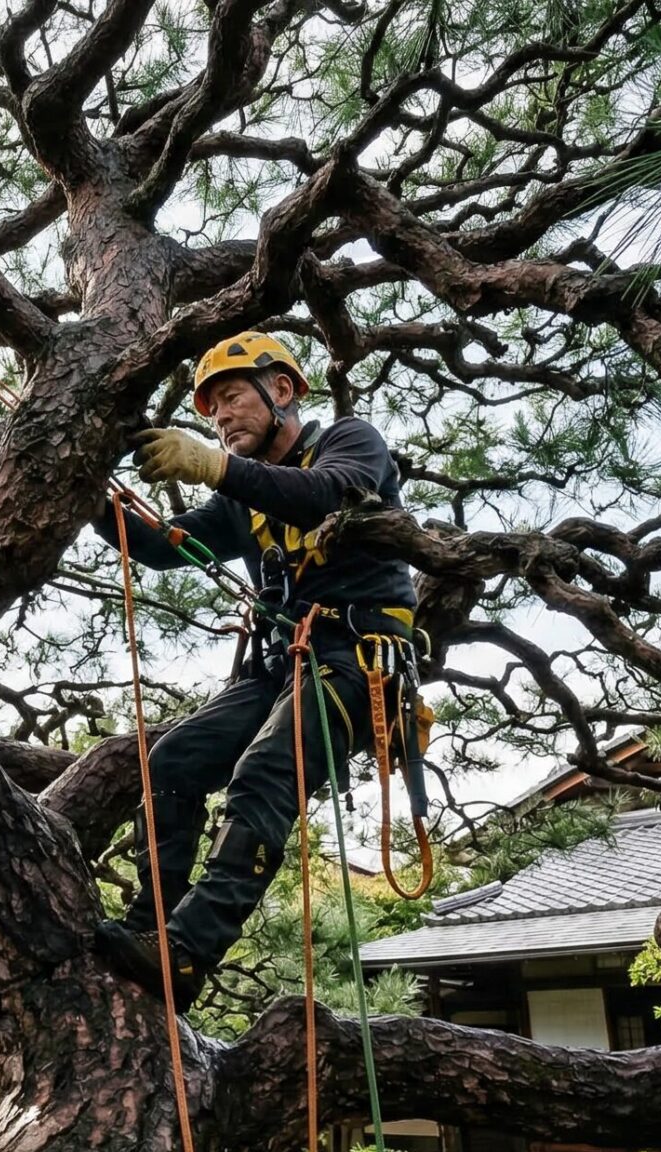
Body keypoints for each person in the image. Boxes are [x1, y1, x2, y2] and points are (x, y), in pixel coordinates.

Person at [96, 331, 419, 1010]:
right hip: (279, 669)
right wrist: (92, 494)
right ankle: (152, 927)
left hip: (355, 660)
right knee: (171, 762)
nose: (222, 418)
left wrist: (212, 467)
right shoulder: (241, 498)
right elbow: (162, 548)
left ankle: (187, 955)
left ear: (281, 390)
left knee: (267, 770)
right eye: (211, 413)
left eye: (233, 399)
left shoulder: (351, 442)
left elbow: (325, 495)